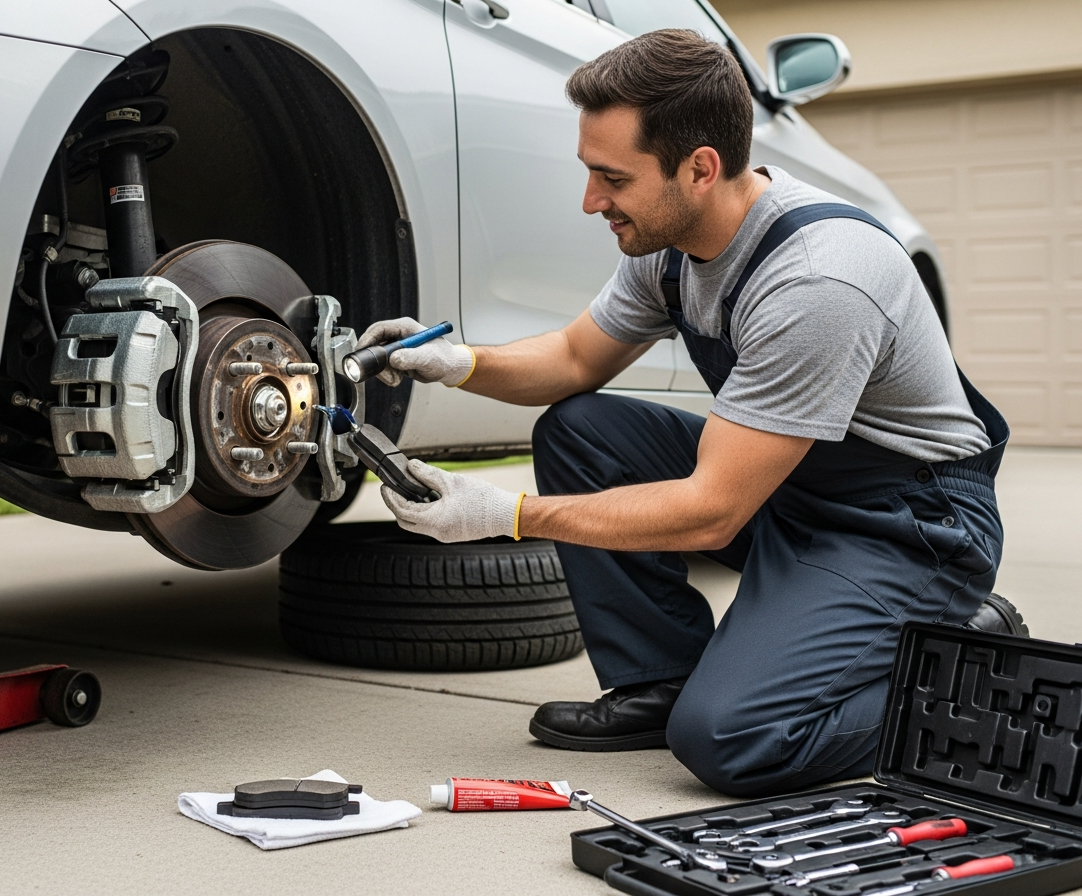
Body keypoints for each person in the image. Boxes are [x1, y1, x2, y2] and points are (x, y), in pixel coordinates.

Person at [357, 29, 1022, 798]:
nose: (590, 201)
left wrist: (507, 514)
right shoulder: (666, 248)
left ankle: (964, 657)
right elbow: (575, 359)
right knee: (583, 429)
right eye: (588, 172)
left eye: (612, 178)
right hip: (791, 490)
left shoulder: (819, 281)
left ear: (700, 168)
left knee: (734, 739)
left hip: (906, 528)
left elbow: (710, 513)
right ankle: (659, 680)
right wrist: (458, 362)